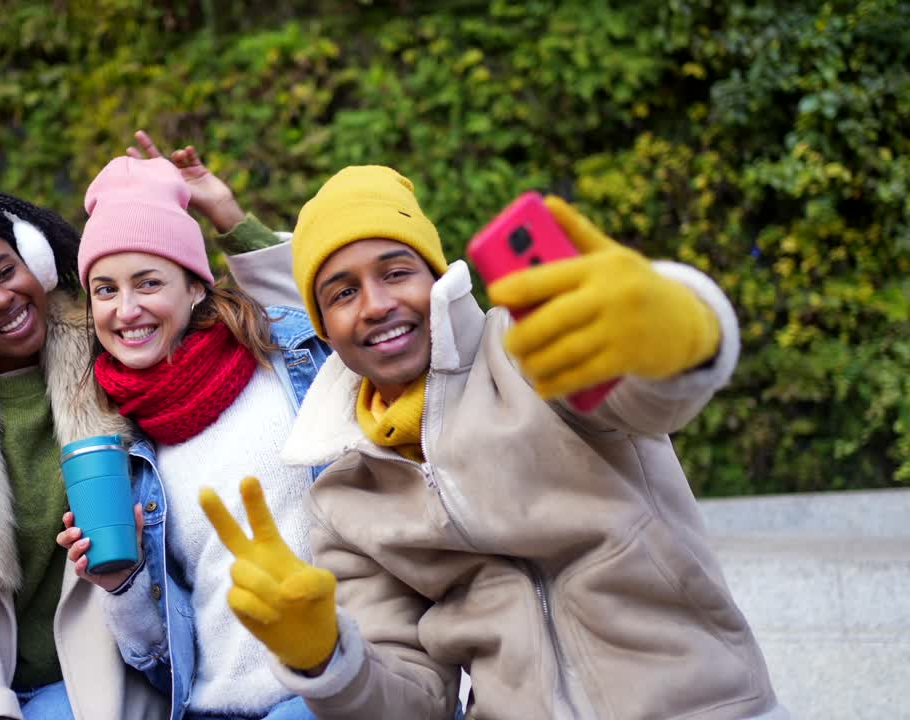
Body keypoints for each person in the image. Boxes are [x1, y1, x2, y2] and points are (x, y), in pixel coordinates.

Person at [199, 166, 789, 719]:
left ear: (435, 277)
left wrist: (679, 329)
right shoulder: (345, 496)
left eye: (396, 271)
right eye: (342, 292)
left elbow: (651, 395)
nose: (376, 305)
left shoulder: (531, 349)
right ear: (323, 325)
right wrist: (326, 659)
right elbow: (416, 700)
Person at [0, 143, 291, 720]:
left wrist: (228, 218)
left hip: (123, 670)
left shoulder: (108, 348)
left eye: (5, 271)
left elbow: (291, 328)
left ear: (35, 259)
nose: (0, 299)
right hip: (10, 686)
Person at [54, 141, 331, 720]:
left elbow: (333, 298)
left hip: (336, 686)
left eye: (148, 282)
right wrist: (122, 583)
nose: (125, 309)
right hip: (214, 707)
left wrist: (225, 211)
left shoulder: (286, 360)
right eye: (105, 289)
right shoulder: (122, 447)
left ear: (196, 286)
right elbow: (159, 656)